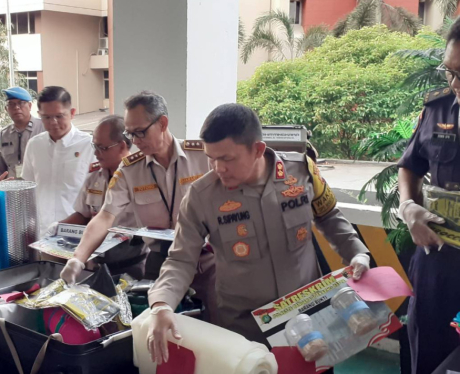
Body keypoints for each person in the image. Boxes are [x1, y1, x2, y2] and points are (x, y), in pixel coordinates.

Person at [146, 103, 371, 365]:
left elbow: (329, 216)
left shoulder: (301, 171)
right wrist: (161, 304)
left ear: (257, 150)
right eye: (212, 158)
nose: (218, 168)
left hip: (310, 319)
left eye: (227, 159)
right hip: (245, 331)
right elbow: (181, 259)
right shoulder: (201, 196)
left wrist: (357, 252)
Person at [60, 91, 217, 321]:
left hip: (205, 260)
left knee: (212, 324)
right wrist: (78, 258)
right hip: (159, 263)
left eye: (140, 132)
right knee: (155, 327)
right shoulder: (130, 170)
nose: (135, 141)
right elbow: (105, 216)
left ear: (163, 123)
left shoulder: (202, 157)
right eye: (130, 134)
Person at [398, 17, 460, 374]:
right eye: (449, 71)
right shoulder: (438, 109)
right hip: (436, 260)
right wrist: (408, 206)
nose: (454, 83)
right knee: (428, 353)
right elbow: (410, 165)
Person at [48, 115, 148, 279]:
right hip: (94, 264)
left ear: (122, 146)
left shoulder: (143, 177)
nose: (96, 153)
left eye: (102, 148)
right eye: (94, 146)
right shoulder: (94, 177)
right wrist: (57, 228)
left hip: (131, 265)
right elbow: (83, 214)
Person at [21, 86, 95, 237]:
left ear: (72, 113)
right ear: (39, 115)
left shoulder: (90, 145)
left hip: (77, 233)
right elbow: (27, 188)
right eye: (46, 117)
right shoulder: (35, 145)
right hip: (41, 233)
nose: (53, 122)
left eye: (59, 116)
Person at [0, 86, 45, 179]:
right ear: (6, 109)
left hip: (37, 188)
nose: (16, 107)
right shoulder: (3, 134)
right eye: (11, 104)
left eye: (21, 103)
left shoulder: (43, 127)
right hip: (12, 190)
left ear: (29, 106)